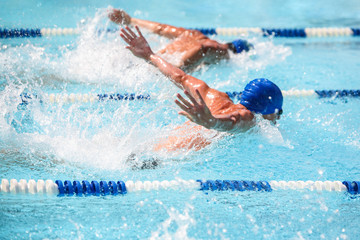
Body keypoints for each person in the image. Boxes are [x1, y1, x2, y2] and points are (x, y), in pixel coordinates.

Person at [119, 26, 283, 152]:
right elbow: (233, 121)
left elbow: (180, 77)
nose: (277, 119)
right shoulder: (250, 119)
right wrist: (210, 121)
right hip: (158, 161)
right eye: (278, 113)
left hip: (150, 148)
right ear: (268, 111)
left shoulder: (216, 97)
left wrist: (149, 55)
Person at [109, 9, 253, 72]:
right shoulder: (223, 52)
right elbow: (206, 47)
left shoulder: (193, 34)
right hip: (155, 67)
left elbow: (161, 28)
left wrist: (130, 20)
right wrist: (180, 68)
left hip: (136, 61)